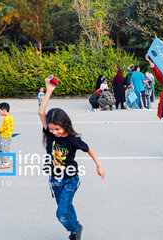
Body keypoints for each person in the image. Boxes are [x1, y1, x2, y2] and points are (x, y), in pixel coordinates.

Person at [38, 78, 105, 240]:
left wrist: (99, 165)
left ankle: (75, 229)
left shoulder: (73, 139)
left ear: (65, 125)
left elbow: (88, 148)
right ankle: (75, 228)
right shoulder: (50, 133)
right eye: (52, 129)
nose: (54, 132)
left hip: (70, 180)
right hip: (54, 179)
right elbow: (41, 113)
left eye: (57, 129)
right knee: (66, 207)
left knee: (61, 213)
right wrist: (48, 91)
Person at [0, 102, 14, 168]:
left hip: (5, 137)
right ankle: (4, 161)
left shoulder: (7, 118)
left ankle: (6, 163)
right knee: (2, 149)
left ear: (4, 110)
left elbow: (6, 127)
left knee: (4, 149)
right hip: (5, 136)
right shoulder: (9, 117)